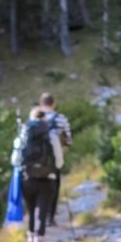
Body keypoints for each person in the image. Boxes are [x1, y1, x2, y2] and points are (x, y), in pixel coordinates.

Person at [11, 107, 64, 242]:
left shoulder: (24, 133)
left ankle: (30, 239)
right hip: (47, 181)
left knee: (31, 210)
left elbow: (14, 160)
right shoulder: (51, 134)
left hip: (27, 179)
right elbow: (59, 162)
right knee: (41, 214)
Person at [38, 92, 72, 226]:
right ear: (54, 104)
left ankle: (39, 215)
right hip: (54, 161)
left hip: (36, 161)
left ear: (41, 104)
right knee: (53, 187)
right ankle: (50, 217)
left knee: (39, 187)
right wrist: (61, 152)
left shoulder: (36, 118)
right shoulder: (61, 119)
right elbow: (68, 140)